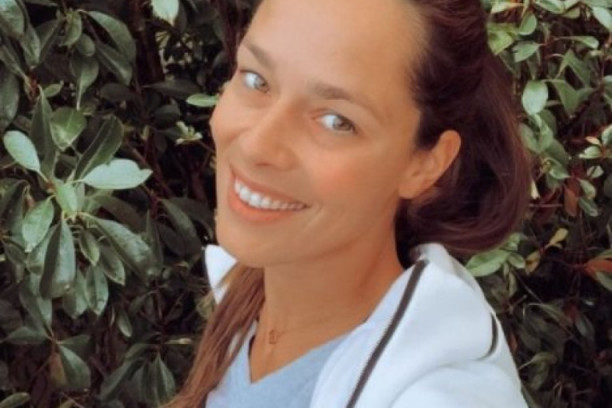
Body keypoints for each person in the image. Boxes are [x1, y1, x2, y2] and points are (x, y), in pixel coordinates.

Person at [167, 0, 531, 406]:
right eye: (256, 80)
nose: (256, 146)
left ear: (426, 164)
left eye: (336, 121)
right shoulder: (247, 297)